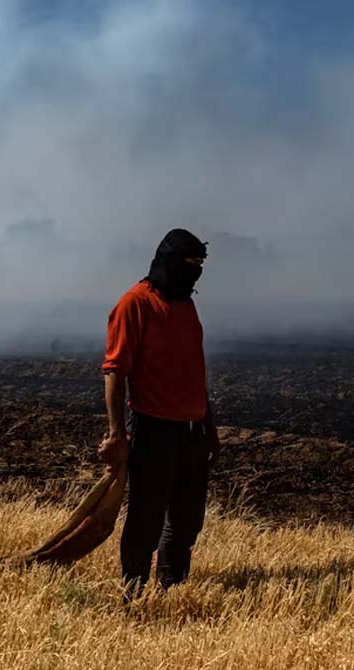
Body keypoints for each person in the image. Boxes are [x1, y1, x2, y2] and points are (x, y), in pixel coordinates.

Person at [99, 228, 221, 595]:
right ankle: (133, 593)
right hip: (154, 429)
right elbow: (115, 372)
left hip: (193, 430)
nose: (196, 272)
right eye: (190, 264)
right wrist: (117, 434)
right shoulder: (133, 304)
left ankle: (172, 589)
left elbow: (194, 371)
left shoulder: (186, 304)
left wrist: (209, 425)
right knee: (145, 518)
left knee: (186, 520)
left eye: (200, 265)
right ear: (169, 263)